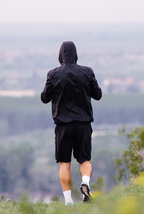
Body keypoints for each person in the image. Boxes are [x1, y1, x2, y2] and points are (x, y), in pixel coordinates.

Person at [40, 41, 102, 205]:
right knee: (85, 160)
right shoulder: (87, 72)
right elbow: (98, 94)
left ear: (60, 55)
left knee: (64, 163)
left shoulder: (53, 74)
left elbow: (44, 98)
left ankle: (68, 201)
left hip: (63, 126)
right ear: (76, 54)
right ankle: (85, 183)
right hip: (83, 124)